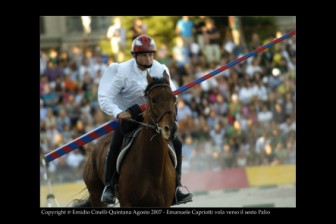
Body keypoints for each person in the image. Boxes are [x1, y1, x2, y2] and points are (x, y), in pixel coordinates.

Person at [98, 34, 193, 205]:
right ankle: (110, 186)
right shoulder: (122, 72)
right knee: (115, 143)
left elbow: (172, 94)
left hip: (155, 118)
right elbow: (106, 99)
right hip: (130, 118)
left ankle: (176, 189)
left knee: (177, 143)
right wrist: (119, 112)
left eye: (151, 54)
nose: (148, 58)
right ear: (134, 55)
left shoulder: (161, 69)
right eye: (144, 55)